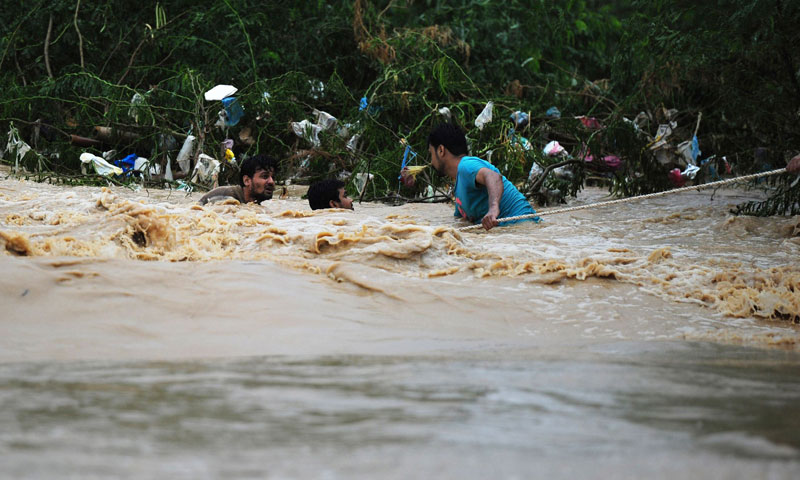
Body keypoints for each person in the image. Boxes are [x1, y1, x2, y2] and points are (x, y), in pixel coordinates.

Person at [427, 122, 538, 230]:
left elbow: (493, 177)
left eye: (431, 154)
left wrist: (493, 209)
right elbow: (459, 222)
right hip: (515, 232)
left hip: (525, 225)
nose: (431, 161)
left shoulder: (466, 165)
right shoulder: (459, 188)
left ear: (441, 150)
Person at [199, 154, 278, 205]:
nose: (271, 182)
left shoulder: (256, 202)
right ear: (247, 181)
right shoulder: (226, 199)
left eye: (273, 177)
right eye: (265, 176)